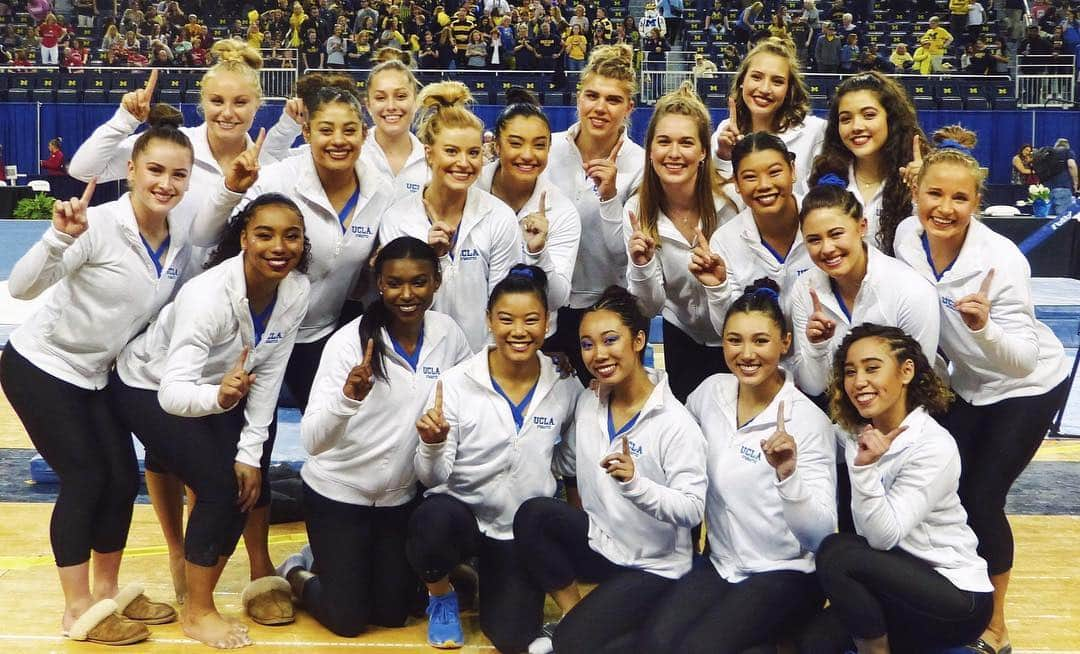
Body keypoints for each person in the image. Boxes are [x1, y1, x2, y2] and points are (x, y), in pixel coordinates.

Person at [0, 106, 191, 647]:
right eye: (155, 170)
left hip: (97, 375)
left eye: (178, 174)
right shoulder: (96, 224)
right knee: (85, 477)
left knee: (122, 479)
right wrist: (58, 239)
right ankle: (76, 609)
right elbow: (21, 288)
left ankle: (108, 596)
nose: (166, 183)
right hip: (41, 367)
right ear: (131, 170)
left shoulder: (181, 242)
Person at [893, 130, 1070, 654]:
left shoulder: (1001, 261)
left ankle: (995, 626)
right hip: (968, 387)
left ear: (978, 202)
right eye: (935, 194)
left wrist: (982, 329)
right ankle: (948, 602)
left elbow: (1024, 358)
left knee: (981, 497)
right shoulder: (906, 237)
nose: (944, 208)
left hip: (1028, 387)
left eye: (960, 197)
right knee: (944, 491)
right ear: (916, 193)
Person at [110, 193, 311, 648]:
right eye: (264, 234)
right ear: (243, 238)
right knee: (219, 488)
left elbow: (270, 373)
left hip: (218, 387)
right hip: (147, 383)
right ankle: (198, 611)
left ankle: (199, 585)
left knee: (244, 484)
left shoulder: (296, 290)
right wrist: (219, 398)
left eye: (291, 235)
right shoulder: (208, 296)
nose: (279, 246)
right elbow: (173, 392)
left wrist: (250, 453)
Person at [277, 237, 471, 638]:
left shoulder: (448, 335)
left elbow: (477, 386)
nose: (406, 294)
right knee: (348, 620)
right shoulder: (348, 343)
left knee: (392, 614)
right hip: (338, 495)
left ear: (437, 281)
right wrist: (348, 399)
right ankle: (296, 570)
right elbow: (312, 442)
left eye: (419, 282)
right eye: (394, 283)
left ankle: (338, 562)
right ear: (378, 284)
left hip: (397, 501)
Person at [639, 278, 836, 652]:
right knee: (657, 643)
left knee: (700, 649)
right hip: (721, 564)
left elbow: (820, 536)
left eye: (761, 340)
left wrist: (788, 474)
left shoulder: (809, 422)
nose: (747, 353)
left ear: (785, 343)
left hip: (786, 573)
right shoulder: (710, 391)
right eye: (734, 340)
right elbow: (668, 431)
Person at [513, 285, 707, 653]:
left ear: (638, 340)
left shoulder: (675, 422)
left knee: (574, 646)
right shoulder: (589, 400)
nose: (598, 354)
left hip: (656, 565)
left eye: (610, 340)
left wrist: (636, 483)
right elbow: (564, 461)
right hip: (602, 545)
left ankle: (645, 624)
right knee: (534, 515)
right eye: (587, 344)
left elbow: (692, 508)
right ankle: (575, 615)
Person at [195, 72, 395, 412]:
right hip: (253, 333)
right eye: (326, 129)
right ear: (306, 133)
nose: (338, 140)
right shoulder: (279, 178)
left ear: (364, 134)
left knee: (331, 433)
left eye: (349, 130)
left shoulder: (381, 190)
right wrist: (230, 190)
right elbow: (205, 236)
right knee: (244, 443)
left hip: (320, 334)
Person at [408, 265, 581, 650]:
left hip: (516, 531)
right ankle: (441, 595)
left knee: (513, 637)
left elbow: (569, 460)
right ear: (489, 320)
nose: (518, 331)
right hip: (461, 515)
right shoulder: (455, 383)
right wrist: (432, 443)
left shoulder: (565, 383)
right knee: (431, 521)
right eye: (506, 320)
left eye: (531, 320)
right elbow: (431, 479)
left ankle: (481, 577)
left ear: (547, 323)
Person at [797, 324, 993, 652]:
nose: (859, 382)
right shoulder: (855, 433)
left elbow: (882, 537)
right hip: (892, 586)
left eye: (872, 368)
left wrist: (864, 469)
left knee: (837, 552)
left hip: (955, 597)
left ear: (906, 371)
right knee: (813, 642)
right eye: (849, 372)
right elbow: (809, 435)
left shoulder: (934, 446)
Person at [68, 40, 301, 236]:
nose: (227, 113)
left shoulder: (264, 165)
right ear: (203, 102)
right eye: (217, 101)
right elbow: (83, 170)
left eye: (240, 102)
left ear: (257, 105)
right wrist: (123, 121)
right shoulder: (171, 145)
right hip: (168, 286)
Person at [378, 81, 521, 352]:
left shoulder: (499, 217)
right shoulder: (397, 219)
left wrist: (487, 366)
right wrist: (426, 259)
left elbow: (506, 304)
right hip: (417, 356)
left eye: (474, 152)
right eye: (452, 151)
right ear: (429, 154)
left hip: (483, 359)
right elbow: (396, 304)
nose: (464, 163)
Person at [621, 82, 739, 401]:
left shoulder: (731, 204)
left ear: (703, 151)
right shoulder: (636, 211)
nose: (674, 153)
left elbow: (743, 299)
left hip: (736, 340)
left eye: (686, 142)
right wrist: (641, 265)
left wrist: (718, 287)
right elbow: (650, 306)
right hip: (679, 341)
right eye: (664, 141)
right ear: (650, 149)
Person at [538, 44, 646, 380]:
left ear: (629, 107)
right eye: (592, 96)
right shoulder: (546, 148)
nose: (600, 108)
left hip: (606, 311)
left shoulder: (640, 164)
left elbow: (624, 253)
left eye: (613, 100)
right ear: (578, 97)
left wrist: (610, 195)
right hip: (542, 306)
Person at [790, 181, 939, 401]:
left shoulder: (911, 290)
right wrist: (818, 348)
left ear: (862, 227)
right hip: (835, 411)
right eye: (814, 240)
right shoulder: (805, 288)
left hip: (899, 415)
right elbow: (814, 387)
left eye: (836, 234)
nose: (827, 248)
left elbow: (917, 382)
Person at [477, 88, 581, 339]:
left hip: (531, 341)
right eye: (515, 143)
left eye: (539, 145)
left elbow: (557, 298)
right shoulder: (470, 190)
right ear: (497, 146)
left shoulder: (562, 210)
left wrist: (538, 252)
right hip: (469, 338)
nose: (527, 155)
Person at [692, 133, 811, 335]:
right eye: (749, 177)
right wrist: (718, 288)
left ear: (792, 170)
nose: (764, 185)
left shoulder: (825, 222)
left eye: (774, 172)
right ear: (736, 184)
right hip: (761, 363)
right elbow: (728, 331)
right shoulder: (725, 241)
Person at [809, 71, 928, 254]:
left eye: (869, 115)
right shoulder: (823, 177)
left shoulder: (918, 177)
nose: (856, 127)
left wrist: (927, 192)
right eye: (846, 119)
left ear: (890, 119)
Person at [712, 40, 827, 196]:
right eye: (756, 77)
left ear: (789, 90)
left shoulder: (815, 131)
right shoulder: (723, 132)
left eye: (777, 81)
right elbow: (717, 201)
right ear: (742, 81)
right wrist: (724, 157)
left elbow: (823, 201)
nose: (765, 89)